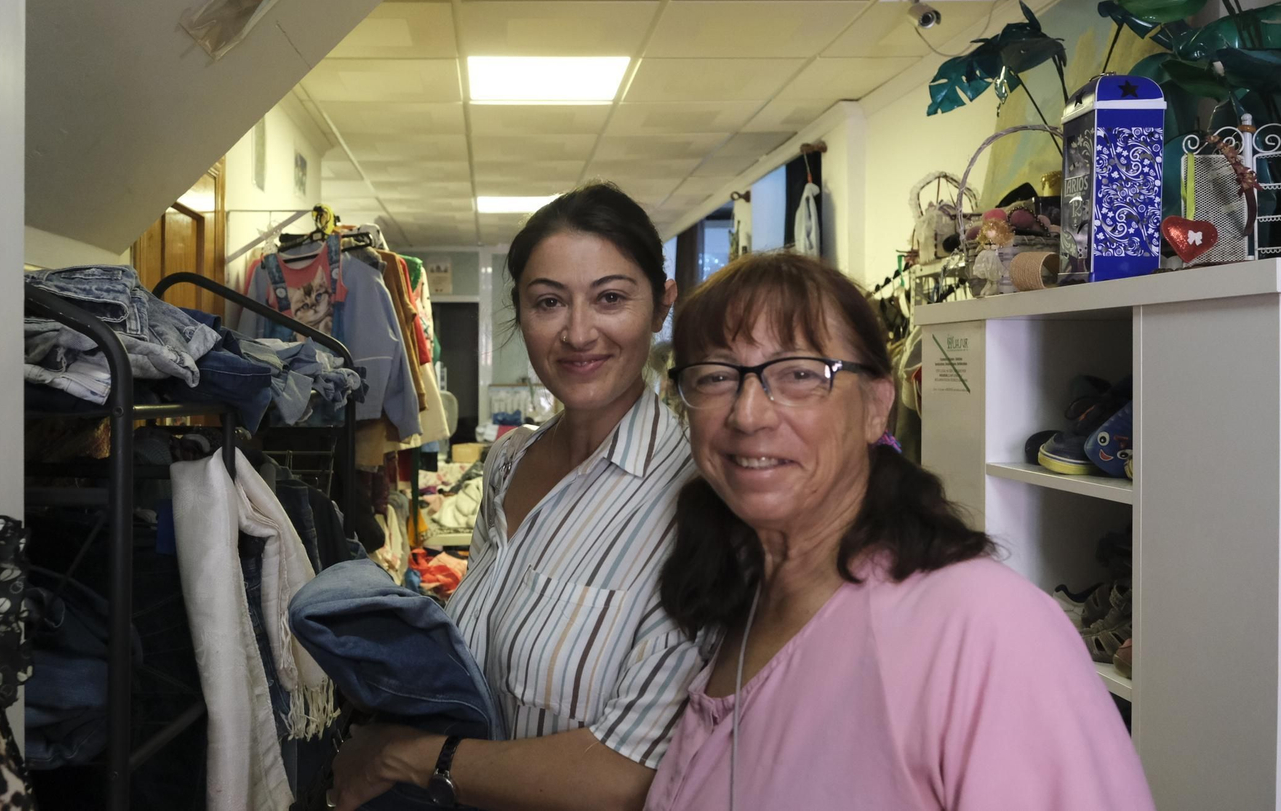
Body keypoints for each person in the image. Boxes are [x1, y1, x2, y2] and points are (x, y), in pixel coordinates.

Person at [645, 251, 1154, 810]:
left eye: (799, 374)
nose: (748, 414)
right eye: (717, 376)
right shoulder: (734, 599)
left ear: (876, 406)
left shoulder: (984, 627)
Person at [328, 184, 703, 811]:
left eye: (611, 298)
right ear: (521, 313)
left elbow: (624, 776)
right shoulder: (509, 461)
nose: (578, 333)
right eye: (549, 302)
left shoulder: (696, 502)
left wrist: (411, 757)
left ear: (662, 306)